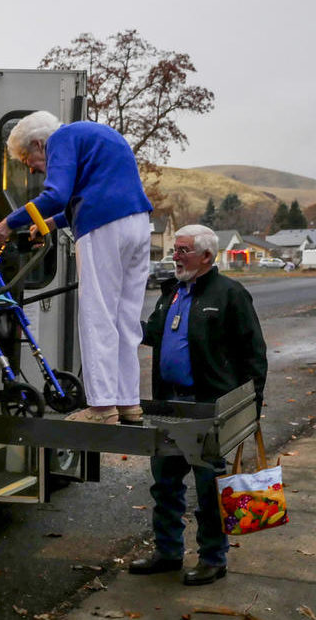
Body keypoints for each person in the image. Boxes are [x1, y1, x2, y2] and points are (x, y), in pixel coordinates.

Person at [0, 111, 153, 424]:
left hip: (103, 227)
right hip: (138, 224)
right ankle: (128, 402)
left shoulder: (60, 139)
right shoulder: (98, 135)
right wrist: (49, 223)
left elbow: (57, 195)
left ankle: (103, 408)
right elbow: (94, 195)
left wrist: (9, 223)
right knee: (125, 317)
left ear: (39, 143)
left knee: (97, 313)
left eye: (31, 161)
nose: (36, 170)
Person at [130, 224, 267, 586]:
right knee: (166, 485)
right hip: (169, 406)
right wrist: (119, 320)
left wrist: (251, 409)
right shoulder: (172, 293)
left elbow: (253, 355)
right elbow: (154, 334)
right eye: (175, 249)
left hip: (208, 410)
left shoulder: (230, 294)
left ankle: (212, 558)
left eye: (183, 250)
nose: (175, 255)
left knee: (209, 490)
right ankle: (168, 553)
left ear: (207, 256)